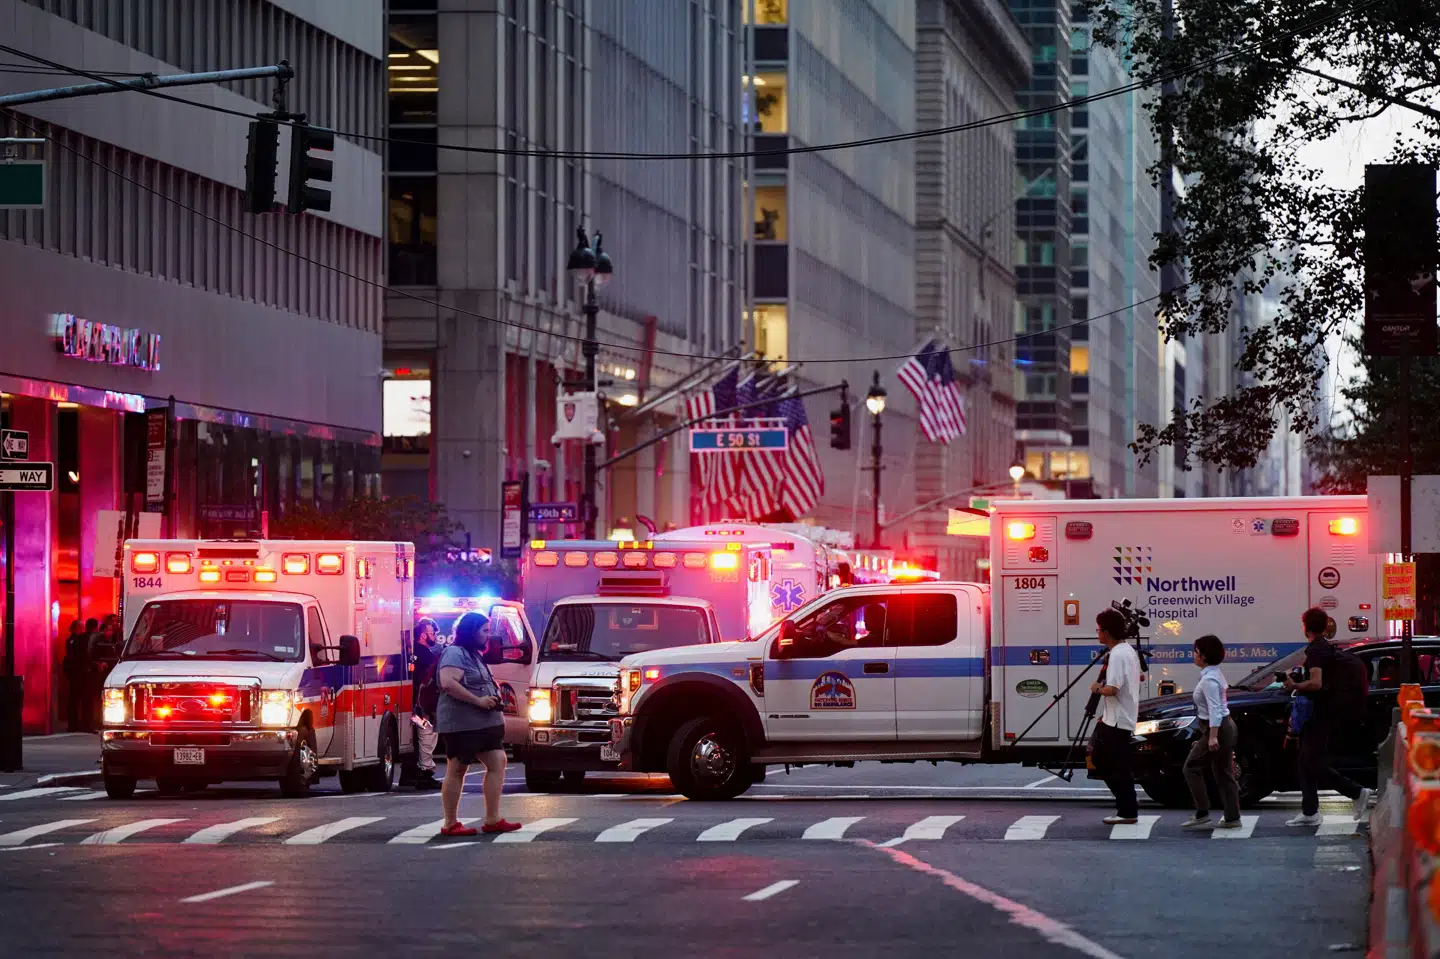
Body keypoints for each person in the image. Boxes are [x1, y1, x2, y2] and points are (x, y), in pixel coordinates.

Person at [435, 611, 521, 837]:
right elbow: (448, 683)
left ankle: (492, 819)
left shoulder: (473, 655)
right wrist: (478, 701)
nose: (488, 635)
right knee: (457, 768)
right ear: (471, 631)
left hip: (484, 722)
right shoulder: (454, 653)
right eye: (484, 630)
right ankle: (450, 822)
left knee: (498, 760)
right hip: (462, 723)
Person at [1283, 607, 1370, 827]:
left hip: (1320, 713)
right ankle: (1310, 811)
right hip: (1321, 711)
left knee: (1313, 761)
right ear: (1324, 625)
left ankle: (1357, 792)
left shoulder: (1316, 651)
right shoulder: (1323, 648)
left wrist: (1294, 685)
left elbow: (1316, 683)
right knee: (1305, 760)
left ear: (1305, 626)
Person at [1180, 635, 1242, 830]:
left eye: (1196, 651)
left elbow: (1214, 709)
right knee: (1223, 773)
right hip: (1224, 726)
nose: (1194, 655)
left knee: (1191, 767)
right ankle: (1232, 817)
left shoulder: (1209, 679)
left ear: (1204, 655)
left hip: (1219, 728)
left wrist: (1212, 736)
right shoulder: (1214, 673)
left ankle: (1202, 812)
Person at [1089, 608, 1141, 825]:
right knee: (1107, 760)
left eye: (1099, 630)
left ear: (1107, 632)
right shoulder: (1127, 651)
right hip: (1116, 717)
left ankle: (1127, 809)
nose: (1098, 633)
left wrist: (1097, 688)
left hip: (1117, 719)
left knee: (1111, 763)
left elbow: (1113, 688)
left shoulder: (1118, 654)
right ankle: (1126, 807)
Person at [409, 618, 442, 791]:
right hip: (422, 707)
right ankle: (425, 773)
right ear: (423, 634)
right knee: (427, 734)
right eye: (432, 633)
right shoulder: (427, 655)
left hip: (413, 704)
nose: (435, 637)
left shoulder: (412, 652)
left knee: (419, 737)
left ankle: (409, 775)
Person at [62, 621, 90, 732]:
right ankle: (75, 724)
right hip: (77, 673)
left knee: (76, 699)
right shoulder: (73, 640)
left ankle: (76, 723)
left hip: (76, 673)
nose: (82, 629)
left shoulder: (76, 640)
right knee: (76, 699)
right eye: (80, 627)